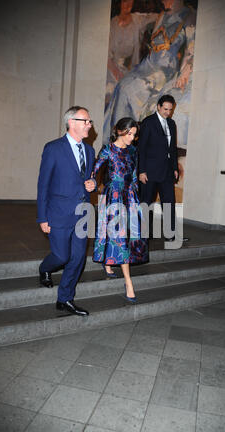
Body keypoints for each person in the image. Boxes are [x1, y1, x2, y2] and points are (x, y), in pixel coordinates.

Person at [103, 0, 196, 144]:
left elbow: (192, 49)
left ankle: (130, 140)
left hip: (164, 70)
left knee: (130, 88)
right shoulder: (161, 16)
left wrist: (185, 71)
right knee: (123, 86)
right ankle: (116, 144)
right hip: (147, 65)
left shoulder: (188, 15)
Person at [37, 106, 96, 316]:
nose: (90, 124)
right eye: (86, 121)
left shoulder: (89, 150)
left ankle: (65, 299)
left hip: (82, 214)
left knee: (78, 258)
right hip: (59, 213)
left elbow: (87, 178)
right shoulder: (53, 148)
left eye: (89, 121)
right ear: (72, 123)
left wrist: (93, 183)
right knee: (61, 256)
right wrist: (42, 217)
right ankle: (45, 268)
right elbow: (43, 185)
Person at [92, 117, 148, 302]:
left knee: (126, 234)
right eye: (129, 133)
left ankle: (109, 263)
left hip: (129, 195)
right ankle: (128, 282)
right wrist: (93, 182)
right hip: (113, 196)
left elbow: (133, 176)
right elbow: (94, 171)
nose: (132, 138)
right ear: (120, 131)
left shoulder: (132, 151)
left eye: (134, 134)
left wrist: (135, 198)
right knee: (119, 235)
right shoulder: (108, 150)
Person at [138, 94, 178, 241]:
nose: (167, 112)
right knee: (146, 202)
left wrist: (174, 167)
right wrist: (141, 170)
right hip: (149, 171)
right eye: (165, 109)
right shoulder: (148, 122)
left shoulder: (172, 124)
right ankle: (143, 234)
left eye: (170, 110)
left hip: (167, 171)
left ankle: (170, 234)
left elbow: (172, 148)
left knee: (169, 202)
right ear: (158, 107)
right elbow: (141, 149)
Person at [106, 0, 158, 108]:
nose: (128, 5)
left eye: (130, 2)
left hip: (130, 69)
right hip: (111, 69)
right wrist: (116, 73)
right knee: (111, 92)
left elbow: (155, 16)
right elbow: (106, 55)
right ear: (119, 3)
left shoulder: (137, 19)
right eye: (125, 1)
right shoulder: (112, 24)